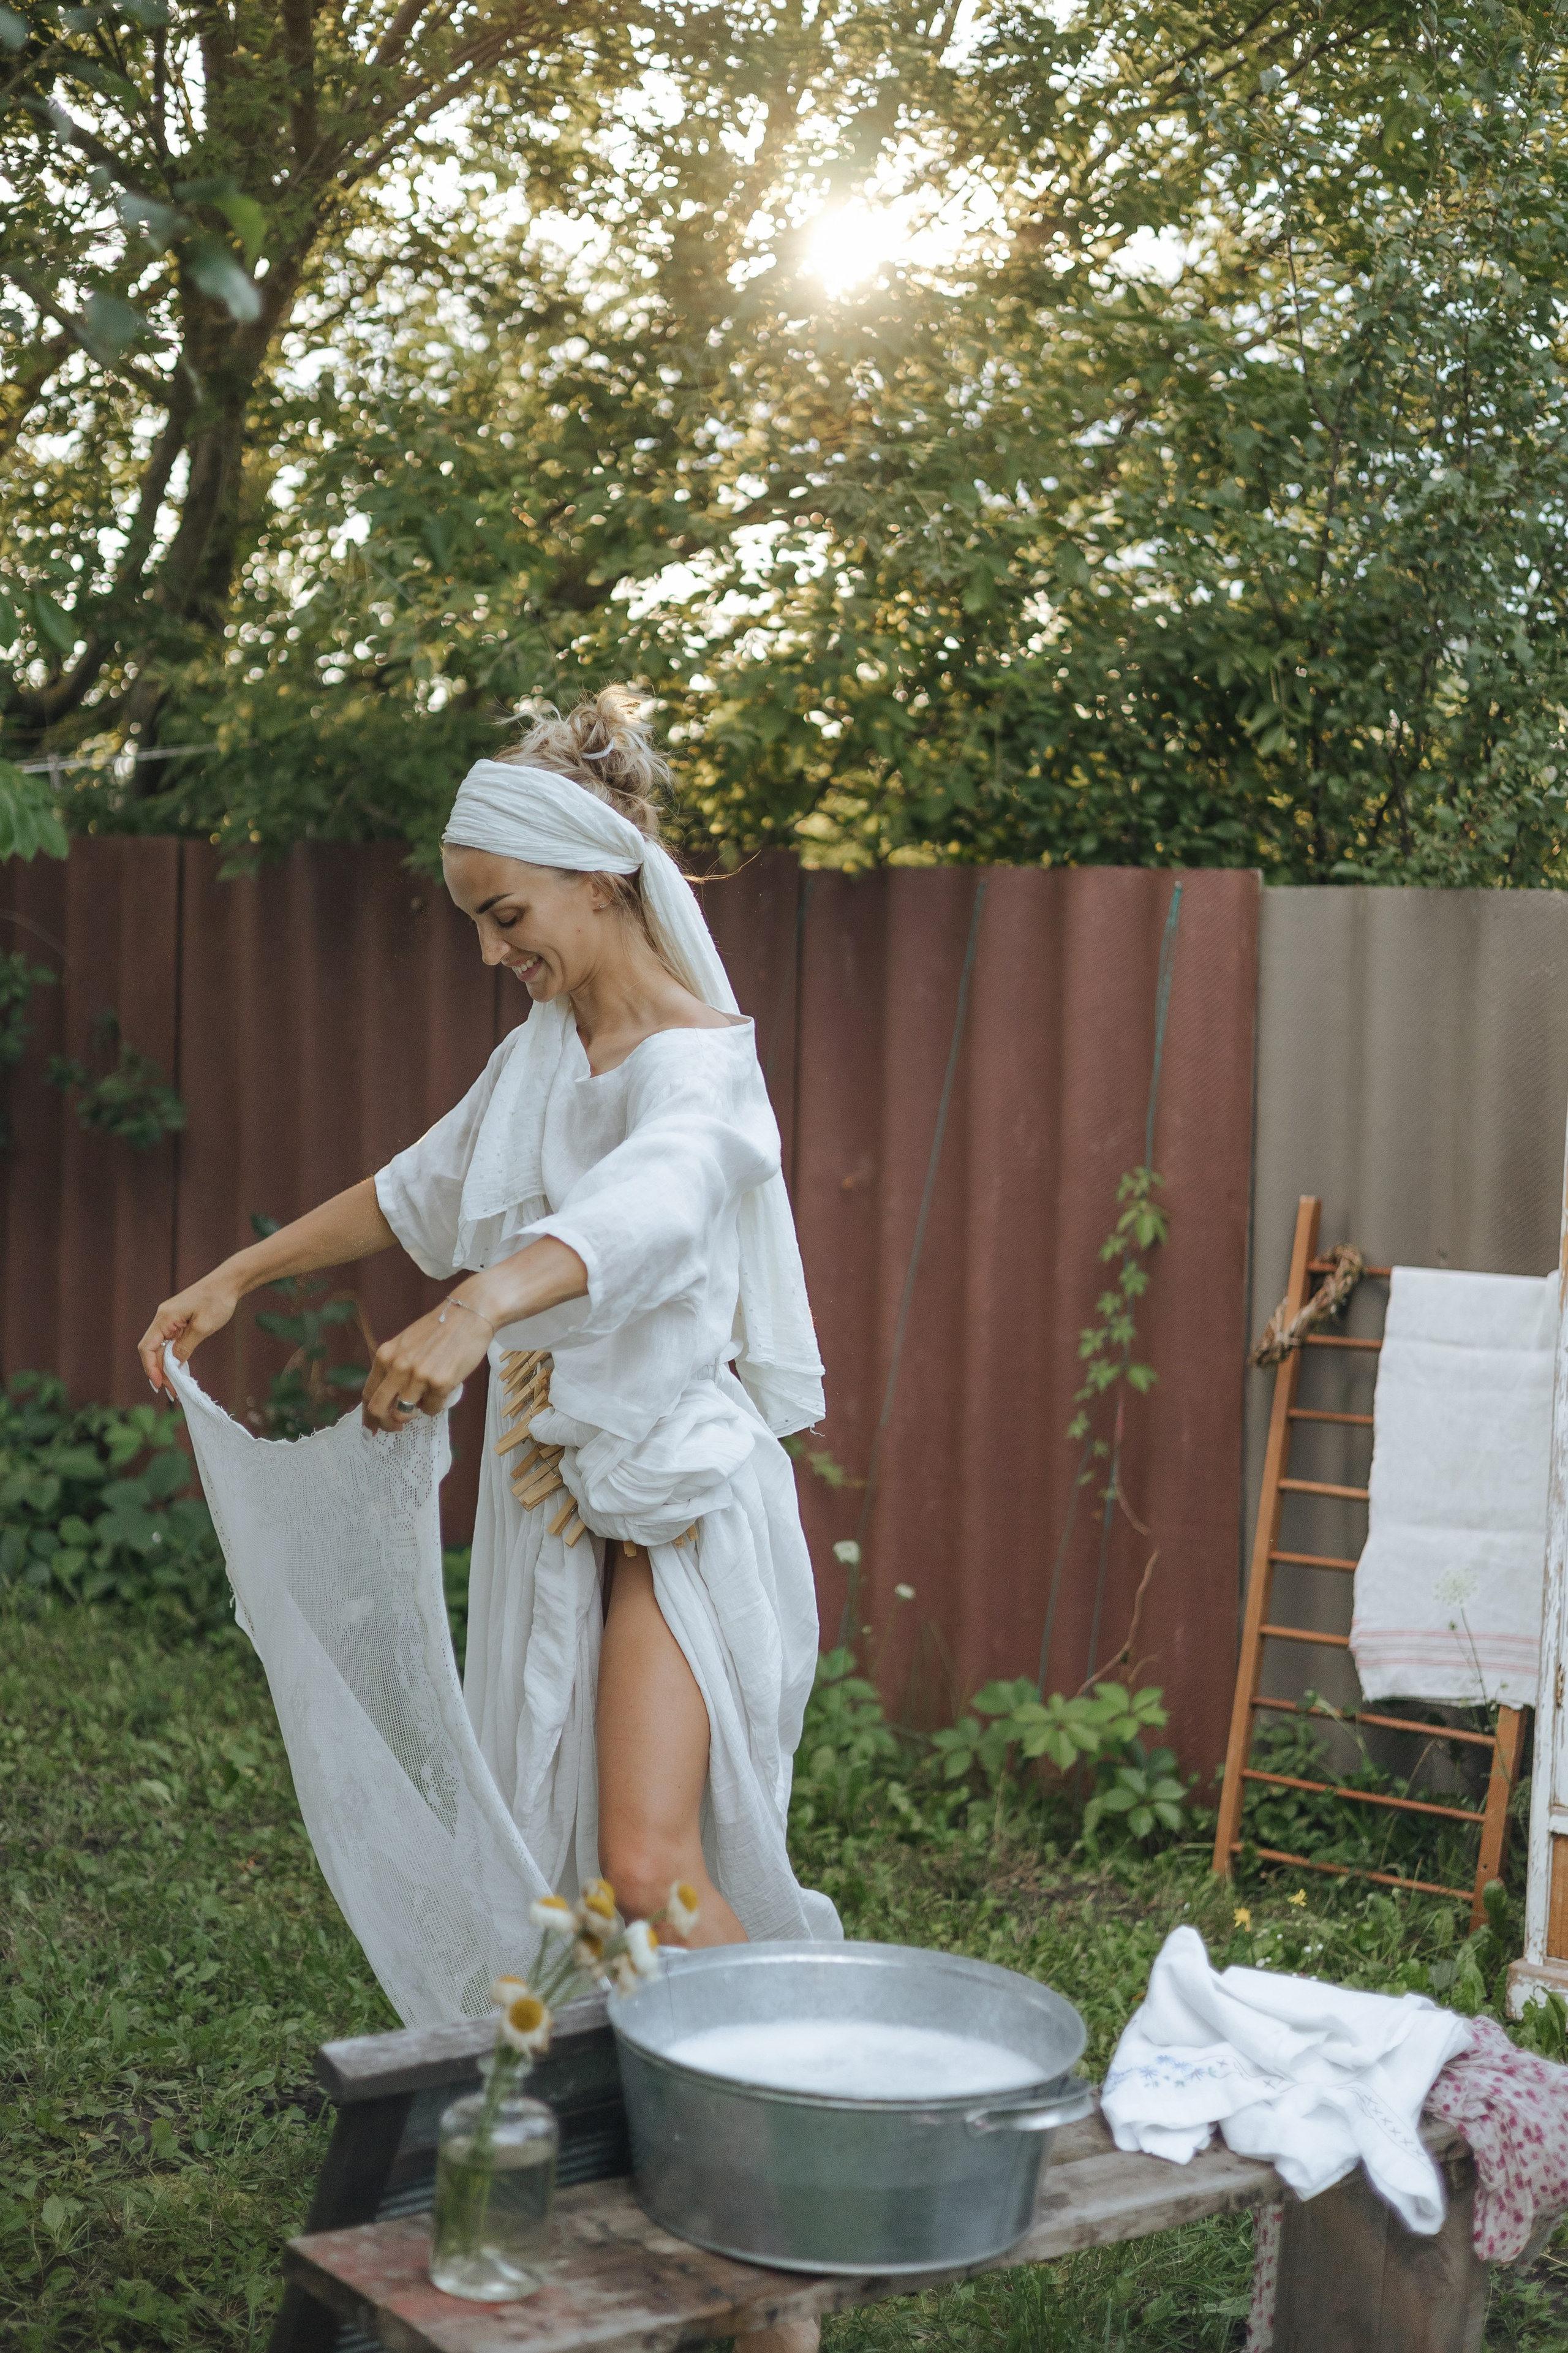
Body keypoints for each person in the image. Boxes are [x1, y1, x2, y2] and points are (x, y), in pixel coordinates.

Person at [137, 686, 837, 1960]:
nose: (487, 951)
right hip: (570, 1497)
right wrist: (241, 1273)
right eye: (474, 920)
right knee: (598, 1876)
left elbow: (654, 1203)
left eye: (502, 916)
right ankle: (699, 2113)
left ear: (598, 884)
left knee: (643, 1873)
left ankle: (815, 2114)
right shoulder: (544, 1053)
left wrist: (479, 1307)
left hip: (673, 1497)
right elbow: (417, 1189)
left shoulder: (699, 1067)